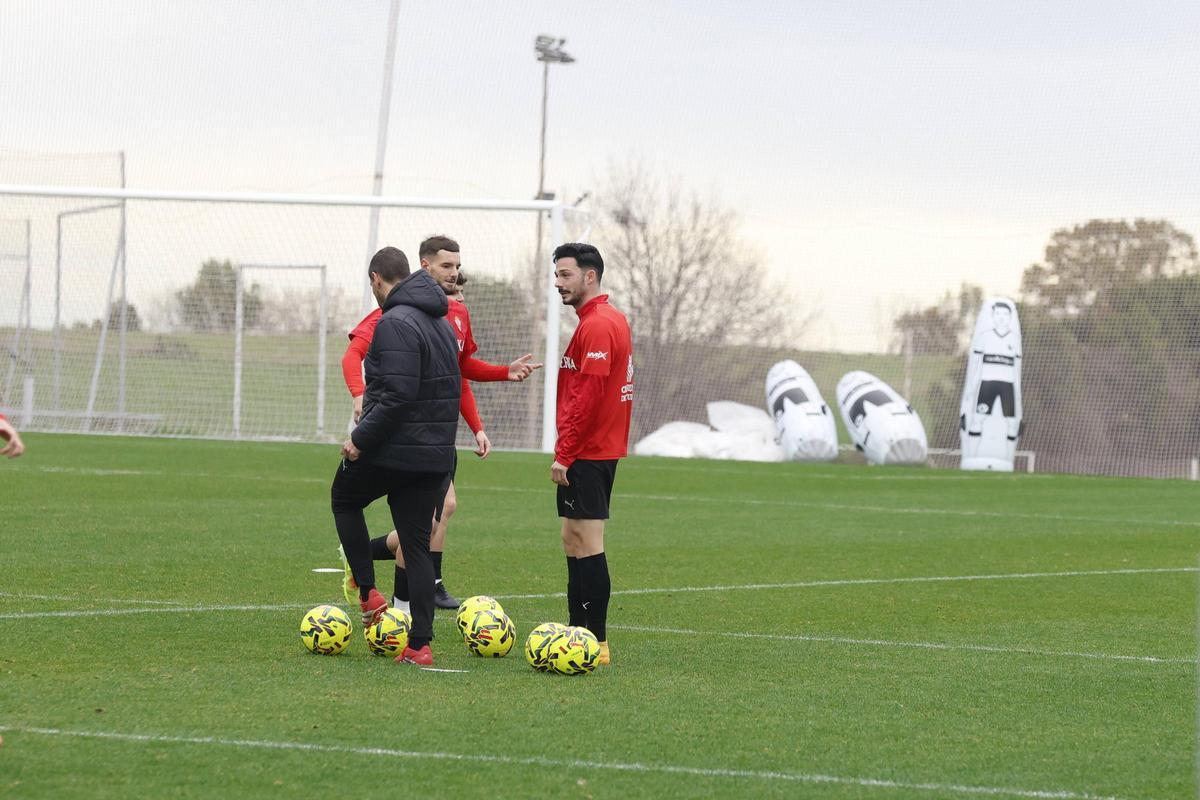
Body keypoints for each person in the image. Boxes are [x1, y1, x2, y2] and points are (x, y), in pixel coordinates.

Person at [339, 236, 540, 613]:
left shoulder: (457, 313)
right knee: (429, 515)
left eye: (457, 266)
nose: (455, 273)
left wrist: (494, 390)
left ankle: (385, 580)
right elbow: (353, 354)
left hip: (436, 434)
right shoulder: (399, 308)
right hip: (400, 436)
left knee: (434, 515)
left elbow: (459, 370)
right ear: (424, 266)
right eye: (447, 266)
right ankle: (404, 602)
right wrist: (358, 393)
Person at [331, 245, 460, 667]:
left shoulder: (393, 322)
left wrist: (360, 439)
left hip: (394, 450)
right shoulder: (441, 320)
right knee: (417, 547)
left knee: (344, 498)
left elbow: (397, 395)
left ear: (375, 280)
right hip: (434, 454)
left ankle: (368, 592)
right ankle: (420, 646)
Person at [550, 243, 633, 667]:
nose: (558, 283)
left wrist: (565, 453)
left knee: (588, 542)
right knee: (573, 540)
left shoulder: (600, 325)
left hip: (589, 451)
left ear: (590, 276)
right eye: (557, 275)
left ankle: (595, 641)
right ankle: (575, 631)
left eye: (565, 274)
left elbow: (589, 396)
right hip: (589, 448)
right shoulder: (601, 320)